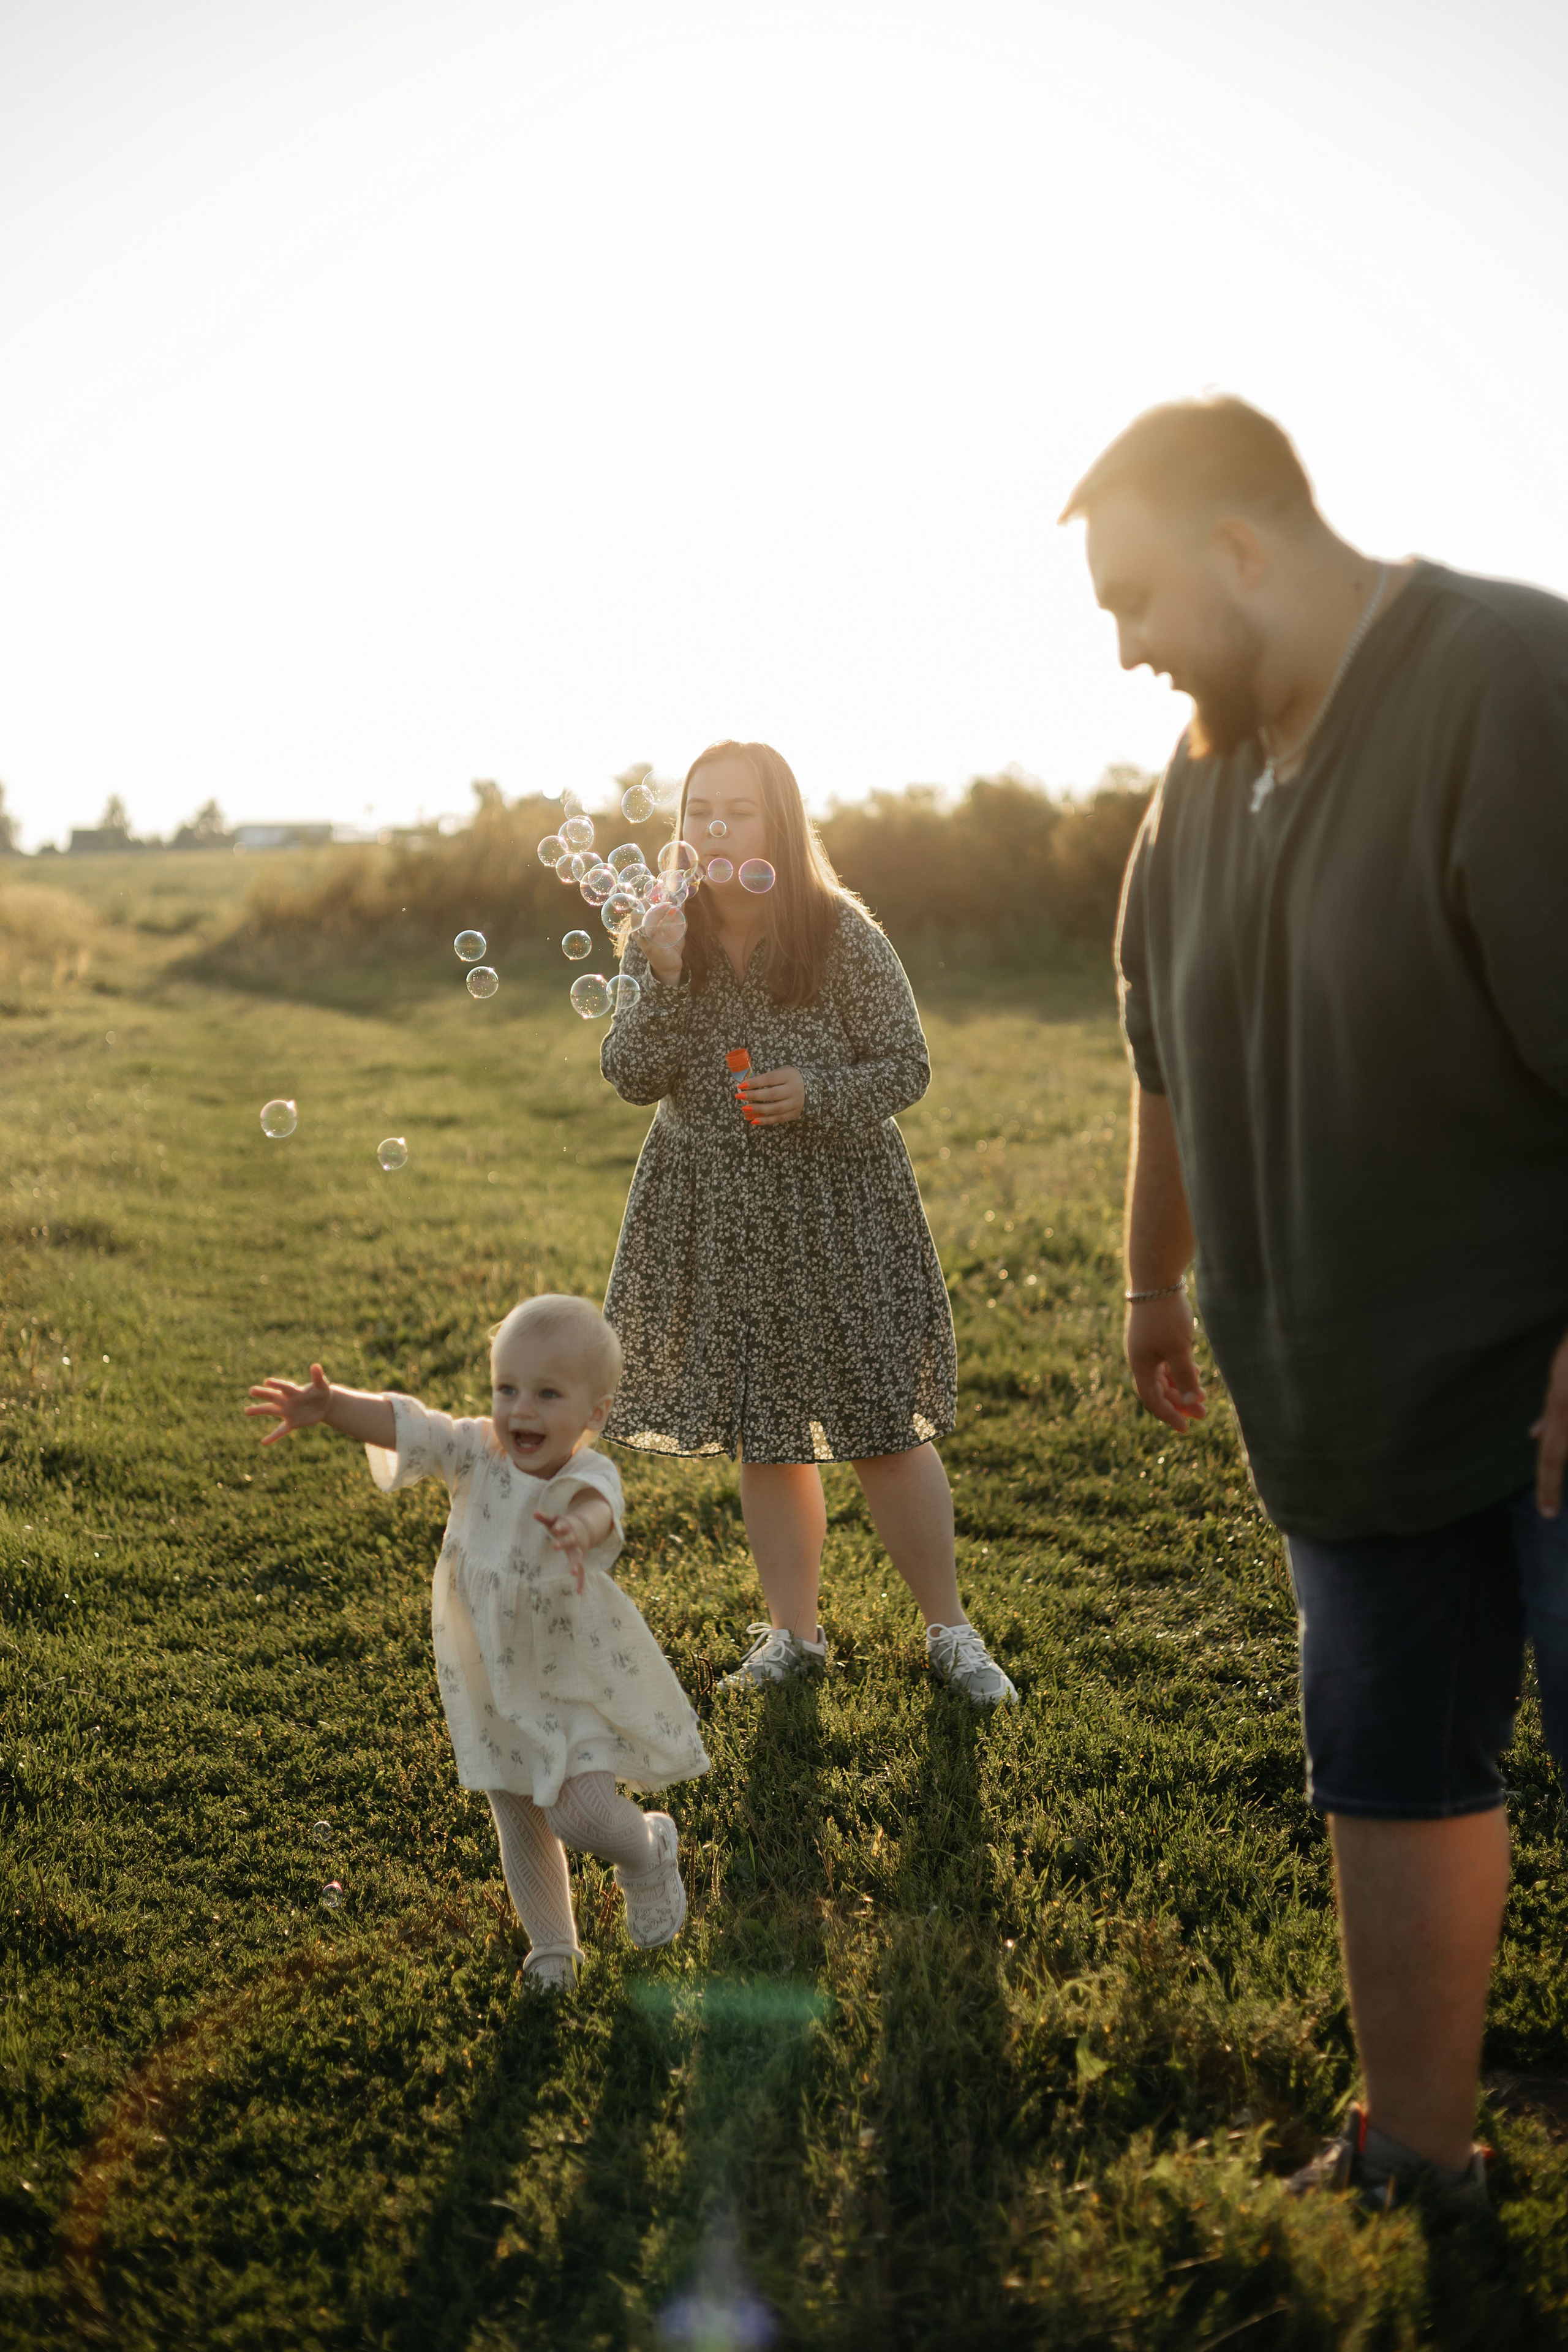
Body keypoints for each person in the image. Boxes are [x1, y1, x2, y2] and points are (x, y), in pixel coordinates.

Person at [1061, 394, 1568, 2214]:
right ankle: (1415, 2154)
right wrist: (1148, 1272)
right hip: (1351, 1403)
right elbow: (1159, 1054)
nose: (1119, 646)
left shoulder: (1505, 682)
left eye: (1131, 598)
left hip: (1543, 1391)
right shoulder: (1194, 781)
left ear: (1240, 548)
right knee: (1391, 1770)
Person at [598, 737, 1017, 1707]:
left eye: (736, 811)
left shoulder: (837, 933)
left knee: (880, 1423)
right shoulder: (662, 933)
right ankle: (794, 1636)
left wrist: (817, 1091)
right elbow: (629, 1078)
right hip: (714, 1206)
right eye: (698, 810)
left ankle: (951, 1632)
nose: (712, 828)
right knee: (766, 1430)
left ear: (776, 824)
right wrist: (659, 974)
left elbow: (907, 1065)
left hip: (836, 1205)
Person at [244, 1294, 709, 1988]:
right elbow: (410, 1426)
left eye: (547, 1394)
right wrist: (332, 1404)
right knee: (517, 1812)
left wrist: (577, 1531)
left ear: (594, 1413)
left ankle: (646, 1850)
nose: (521, 1409)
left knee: (578, 1811)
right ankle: (553, 1946)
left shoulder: (586, 1472)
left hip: (566, 1674)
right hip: (489, 1674)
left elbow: (598, 1505)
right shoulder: (476, 1451)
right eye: (506, 1388)